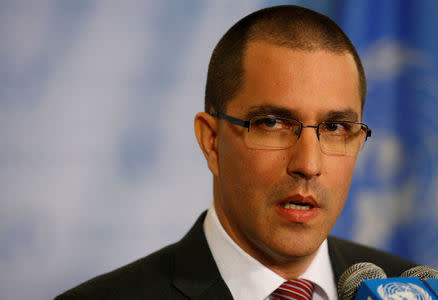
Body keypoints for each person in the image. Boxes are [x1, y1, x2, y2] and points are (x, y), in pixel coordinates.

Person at [56, 5, 415, 299]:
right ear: (212, 141)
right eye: (273, 123)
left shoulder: (410, 289)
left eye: (336, 128)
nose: (308, 164)